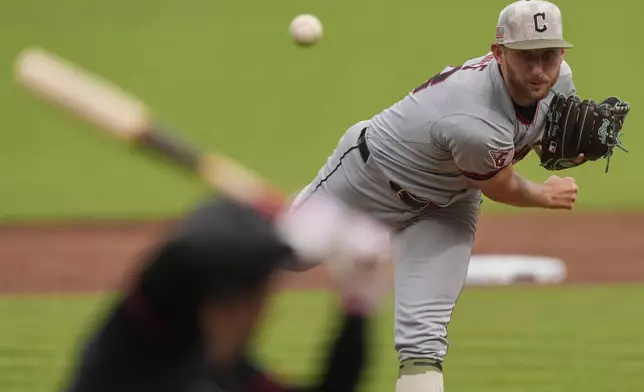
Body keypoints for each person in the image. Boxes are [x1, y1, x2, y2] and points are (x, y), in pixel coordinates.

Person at [286, 1, 596, 391]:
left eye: (548, 55)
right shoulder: (474, 119)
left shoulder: (560, 81)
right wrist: (543, 195)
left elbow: (536, 137)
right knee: (286, 256)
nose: (539, 70)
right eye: (525, 56)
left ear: (562, 54)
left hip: (447, 206)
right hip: (365, 183)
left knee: (423, 340)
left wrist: (562, 150)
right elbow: (500, 186)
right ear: (499, 53)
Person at [61, 195, 390, 392]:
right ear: (225, 308)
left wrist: (356, 305)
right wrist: (288, 231)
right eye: (259, 299)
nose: (265, 312)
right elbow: (187, 252)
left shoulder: (225, 370)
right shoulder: (136, 347)